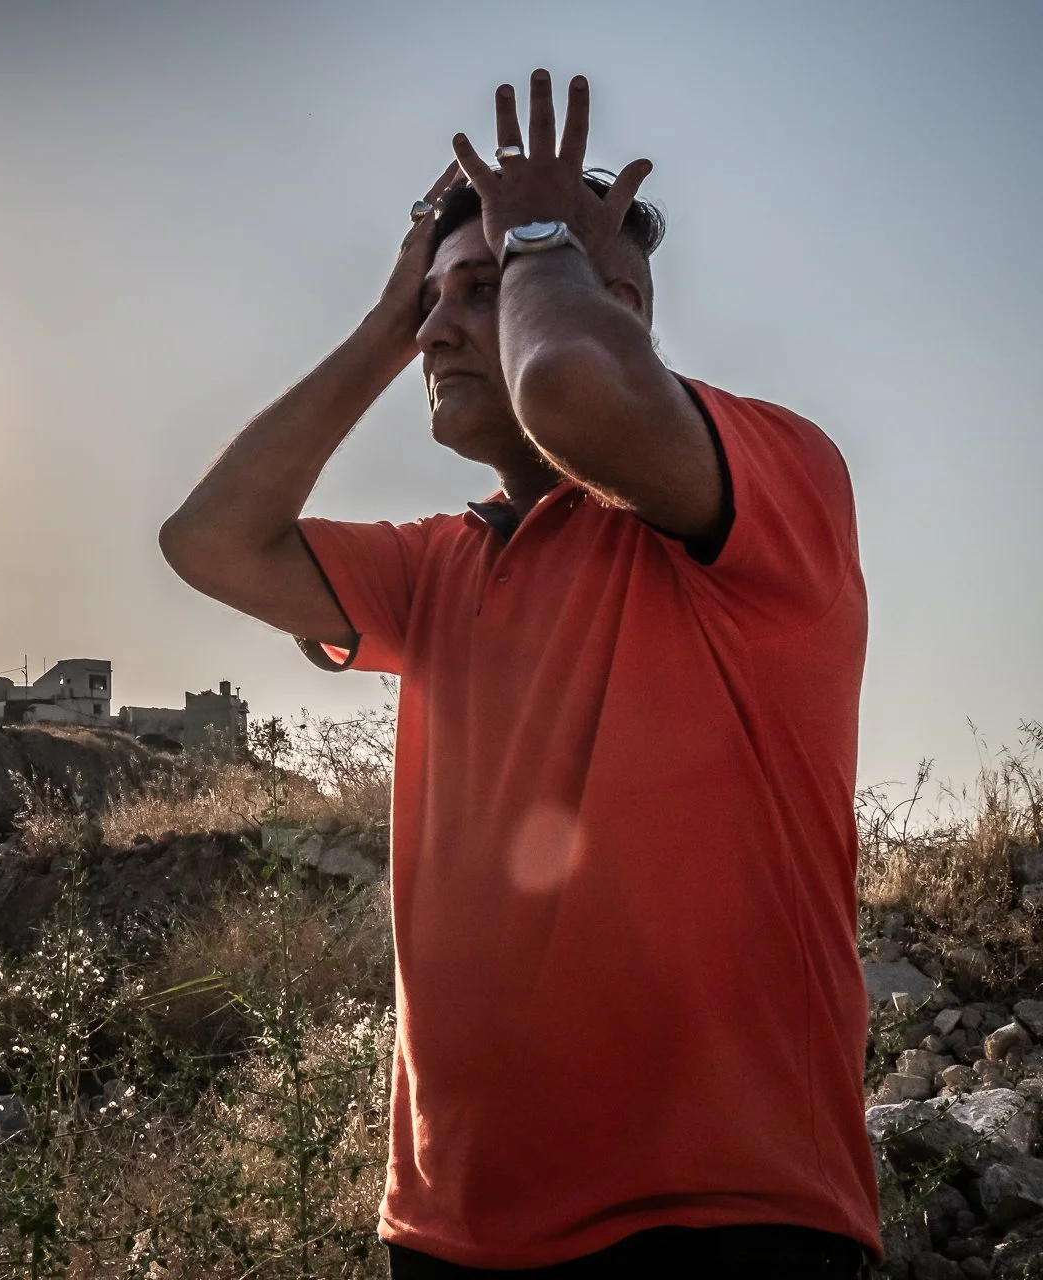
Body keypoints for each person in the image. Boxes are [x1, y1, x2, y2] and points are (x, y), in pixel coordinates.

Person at [159, 71, 877, 1278]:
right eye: (436, 305)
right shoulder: (441, 560)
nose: (443, 330)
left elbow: (578, 392)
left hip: (719, 1220)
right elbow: (211, 539)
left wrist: (539, 240)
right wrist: (399, 315)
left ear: (619, 302)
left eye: (482, 294)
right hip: (450, 1227)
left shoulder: (770, 482)